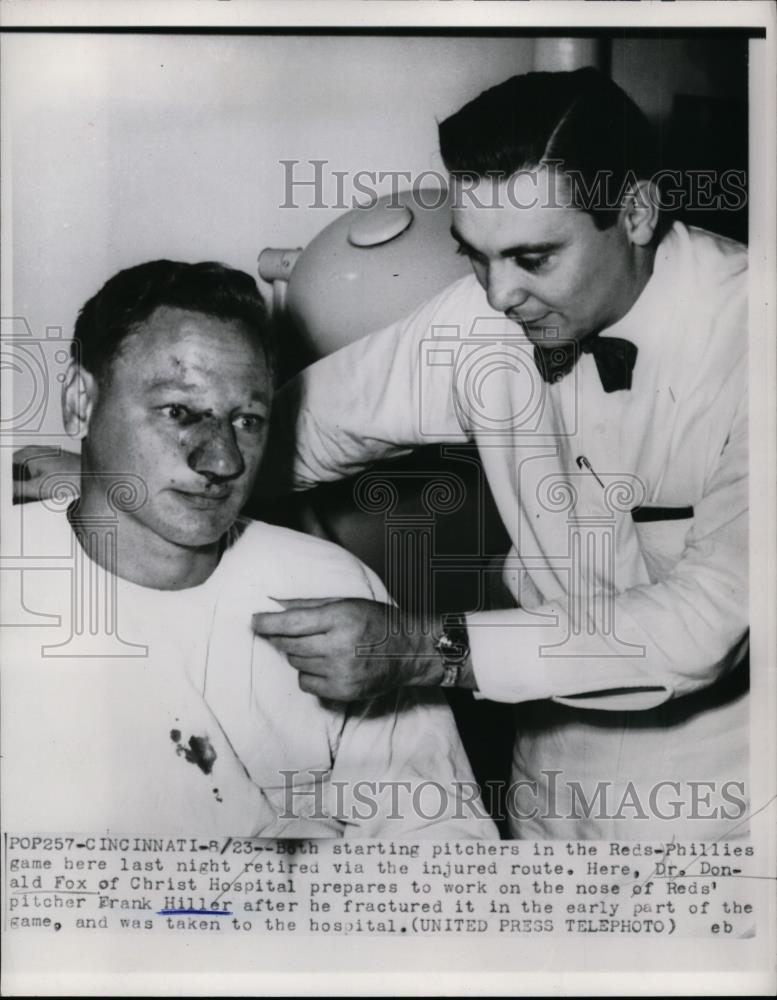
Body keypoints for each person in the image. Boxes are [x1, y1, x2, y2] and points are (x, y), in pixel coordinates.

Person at [248, 68, 750, 839]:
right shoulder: (487, 317)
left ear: (637, 212)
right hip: (542, 774)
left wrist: (424, 651)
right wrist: (128, 475)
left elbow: (703, 623)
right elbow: (311, 425)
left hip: (719, 801)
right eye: (475, 257)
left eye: (532, 258)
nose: (494, 297)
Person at [3, 260, 497, 840]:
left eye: (248, 420)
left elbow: (444, 851)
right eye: (179, 412)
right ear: (81, 401)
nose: (223, 462)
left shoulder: (328, 590)